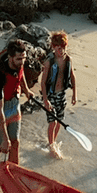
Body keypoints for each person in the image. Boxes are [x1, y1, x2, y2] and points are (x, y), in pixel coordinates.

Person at [0, 40, 37, 176]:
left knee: (15, 142)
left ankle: (15, 172)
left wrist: (26, 90)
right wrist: (4, 138)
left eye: (23, 58)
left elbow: (21, 72)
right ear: (10, 57)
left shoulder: (19, 63)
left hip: (13, 101)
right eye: (19, 59)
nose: (22, 62)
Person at [35, 31, 78, 159]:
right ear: (53, 47)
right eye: (59, 48)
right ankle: (52, 146)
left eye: (64, 48)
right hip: (51, 95)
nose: (62, 51)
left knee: (59, 121)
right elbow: (43, 82)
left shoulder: (68, 60)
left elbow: (72, 76)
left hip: (62, 95)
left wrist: (75, 94)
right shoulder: (49, 61)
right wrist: (45, 100)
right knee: (52, 122)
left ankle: (53, 141)